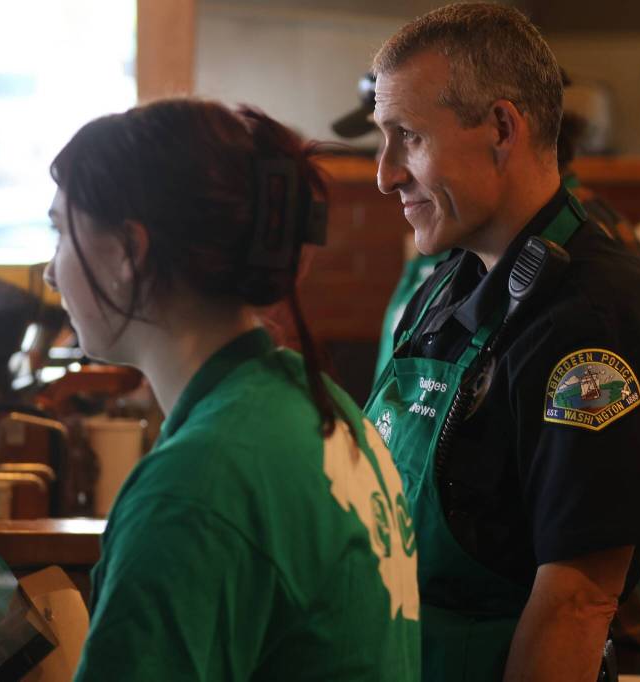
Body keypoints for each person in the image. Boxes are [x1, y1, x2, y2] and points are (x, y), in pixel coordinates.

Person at [42, 98, 420, 681]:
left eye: (62, 233)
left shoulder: (198, 483)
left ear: (127, 253)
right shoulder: (322, 410)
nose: (49, 271)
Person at [364, 4, 640, 681]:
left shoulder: (596, 320)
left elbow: (576, 601)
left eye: (409, 138)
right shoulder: (443, 289)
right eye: (381, 140)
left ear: (502, 130)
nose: (385, 173)